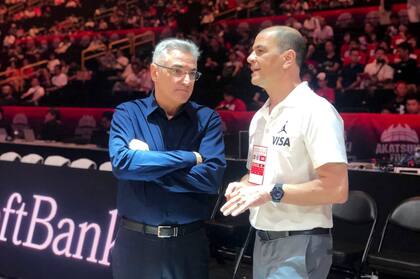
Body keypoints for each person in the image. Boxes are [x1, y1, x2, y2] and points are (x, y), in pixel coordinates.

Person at [221, 26, 348, 279]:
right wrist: (244, 186)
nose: (249, 58)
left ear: (288, 58)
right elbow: (256, 175)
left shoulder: (316, 111)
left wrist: (271, 193)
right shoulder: (260, 117)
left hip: (301, 242)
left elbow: (337, 189)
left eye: (260, 51)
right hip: (263, 239)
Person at [109, 38, 226, 279]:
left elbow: (211, 180)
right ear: (154, 72)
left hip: (188, 245)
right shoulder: (128, 113)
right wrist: (188, 158)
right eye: (177, 71)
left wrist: (145, 165)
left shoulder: (207, 119)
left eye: (192, 73)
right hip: (135, 243)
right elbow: (122, 165)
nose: (186, 80)